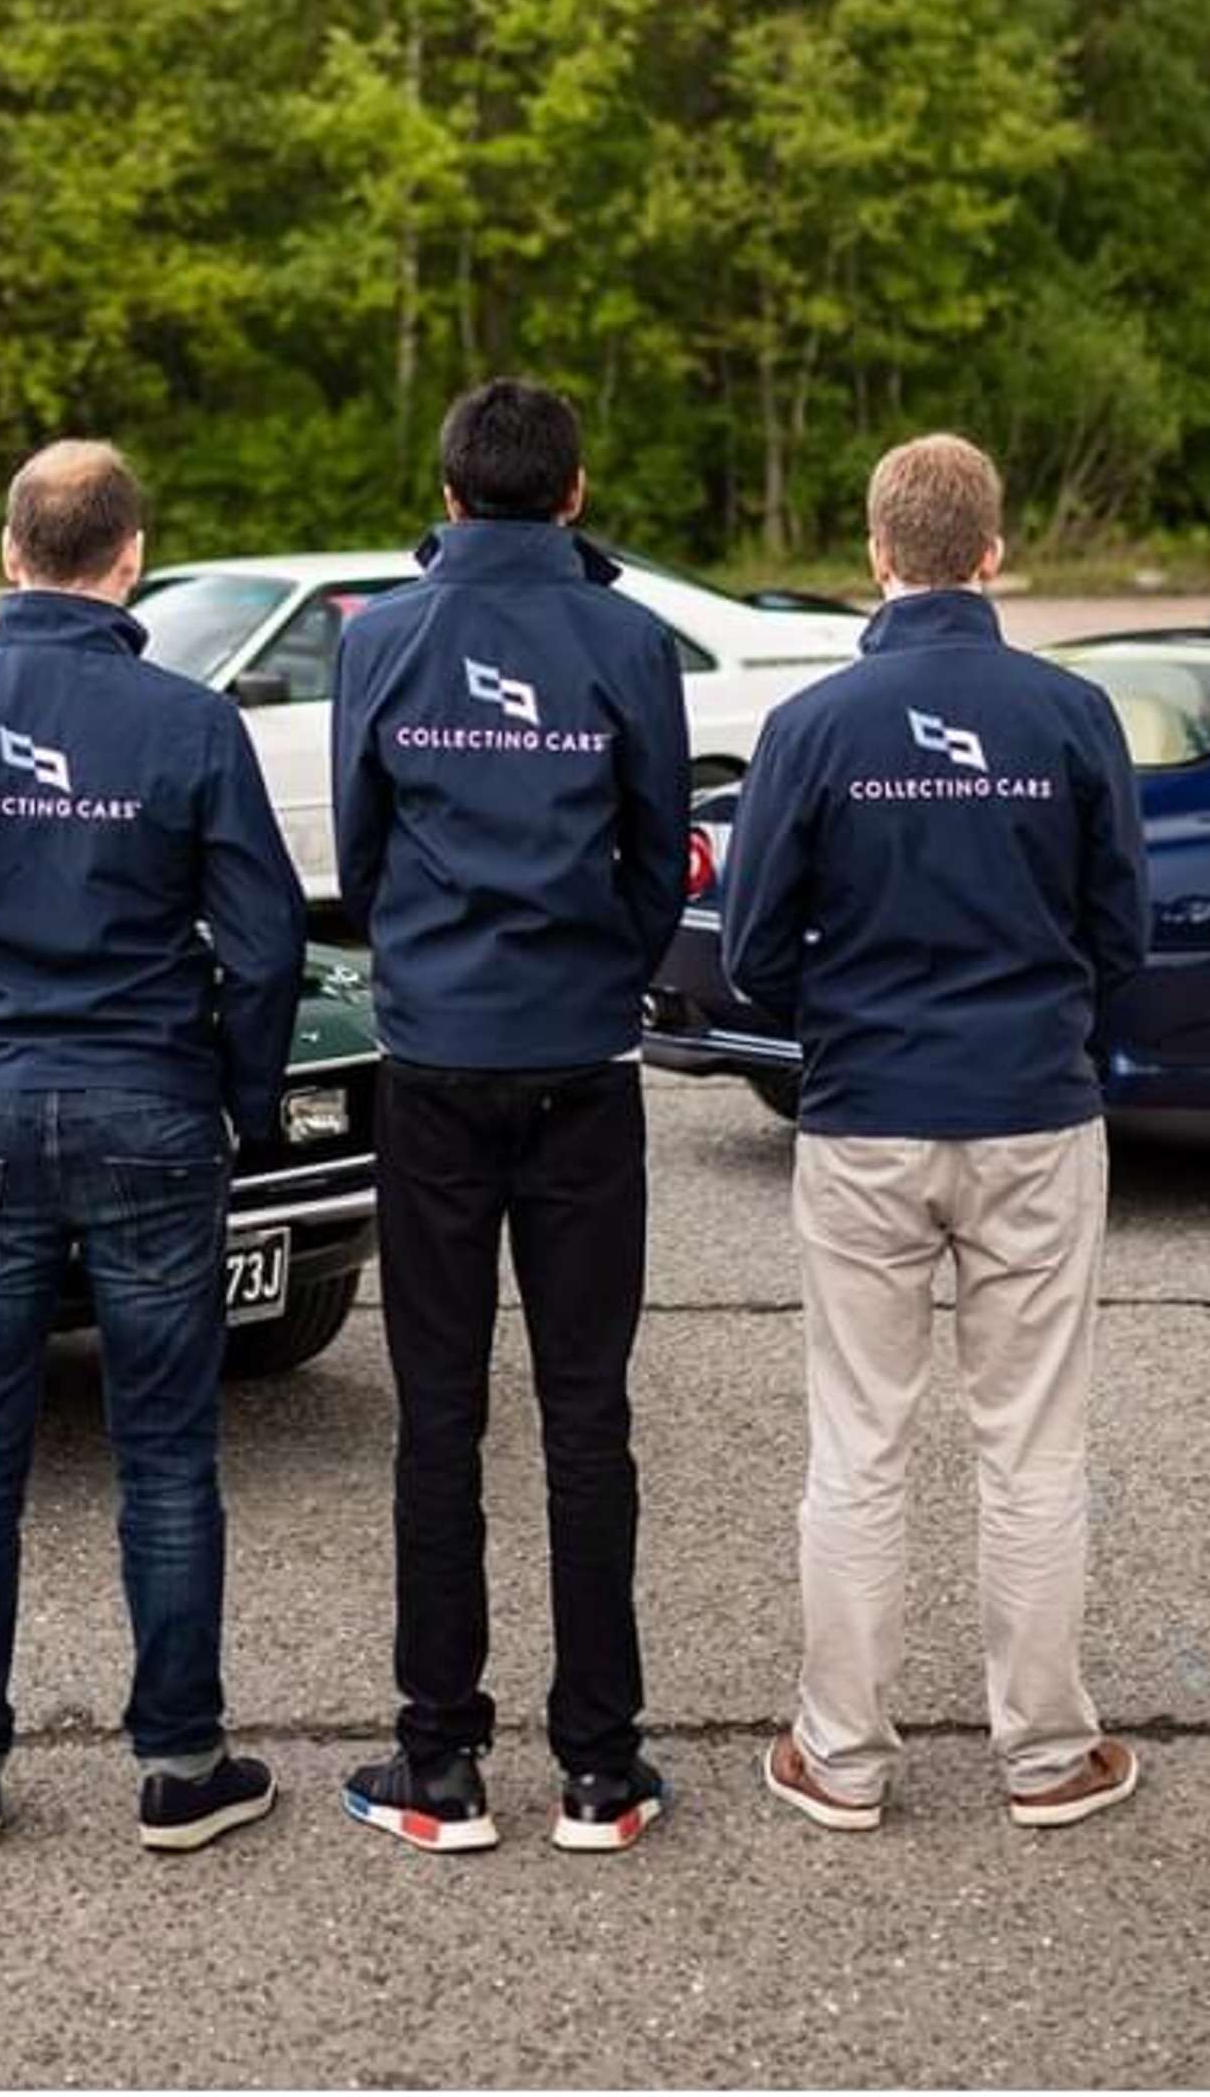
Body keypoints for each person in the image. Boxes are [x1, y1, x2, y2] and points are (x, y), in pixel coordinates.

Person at [0, 440, 307, 1854]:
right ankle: (179, 1766)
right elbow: (269, 941)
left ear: (10, 548)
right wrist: (242, 1097)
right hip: (155, 1108)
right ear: (132, 557)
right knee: (166, 1451)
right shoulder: (189, 723)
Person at [718, 432, 1151, 1834]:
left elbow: (751, 956)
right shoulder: (1073, 714)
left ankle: (838, 1757)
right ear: (992, 553)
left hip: (866, 1120)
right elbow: (1122, 933)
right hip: (1032, 1108)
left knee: (861, 1445)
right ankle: (1043, 1757)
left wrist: (851, 1007)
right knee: (1030, 1446)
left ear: (876, 557)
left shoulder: (814, 727)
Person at [328, 379, 689, 1854]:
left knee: (443, 1411)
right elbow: (663, 855)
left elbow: (360, 858)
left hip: (436, 1063)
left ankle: (440, 1761)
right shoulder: (628, 639)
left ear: (452, 492)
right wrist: (599, 970)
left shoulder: (382, 638)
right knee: (587, 1408)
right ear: (578, 491)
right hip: (583, 1064)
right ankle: (601, 1767)